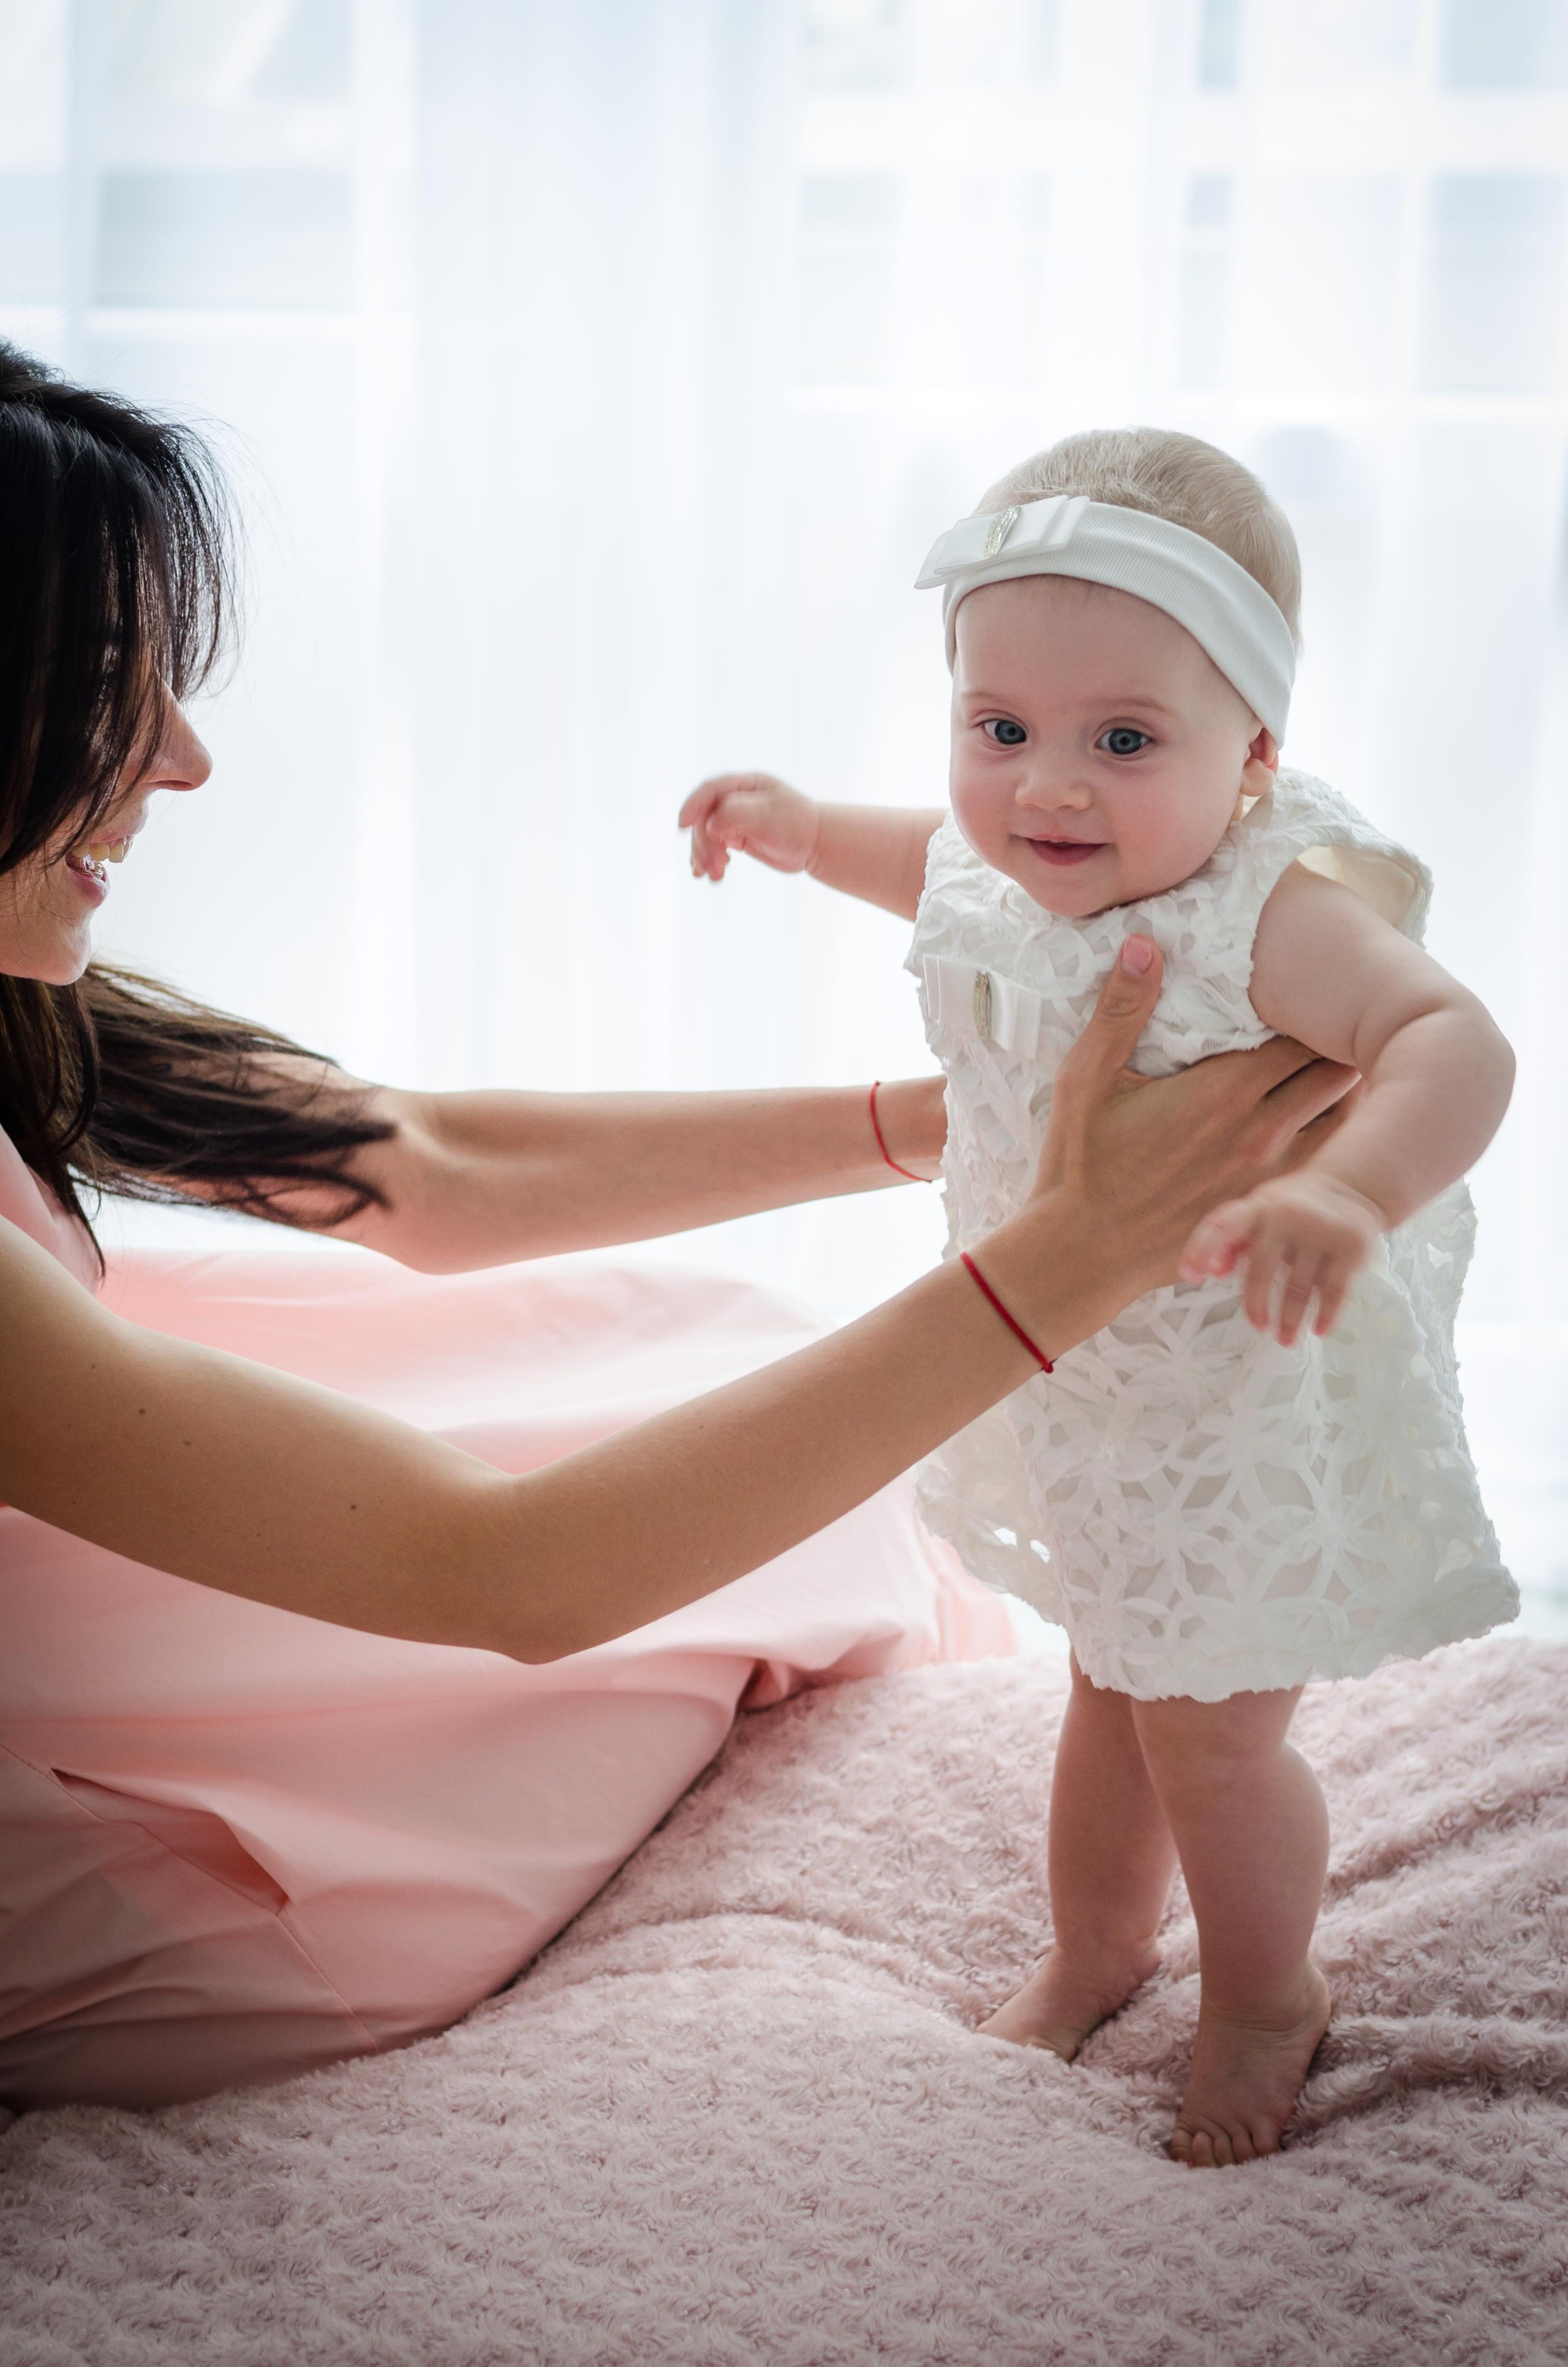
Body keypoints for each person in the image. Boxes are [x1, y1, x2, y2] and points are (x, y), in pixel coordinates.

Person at [0, 352, 1346, 2116]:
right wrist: (1067, 1253)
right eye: (111, 687)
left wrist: (951, 1124)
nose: (183, 755)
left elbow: (415, 1159)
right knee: (727, 1515)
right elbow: (512, 1574)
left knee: (706, 1354)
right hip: (122, 1878)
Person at [680, 426, 1518, 2169]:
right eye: (1002, 728)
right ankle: (1097, 1946)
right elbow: (916, 852)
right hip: (1091, 1382)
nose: (1046, 786)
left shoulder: (1257, 913)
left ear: (1256, 753)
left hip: (1242, 1398)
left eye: (1122, 740)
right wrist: (792, 824)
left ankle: (1267, 1988)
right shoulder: (1006, 859)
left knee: (1210, 1734)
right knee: (1108, 1684)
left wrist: (1342, 1185)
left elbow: (1459, 1040)